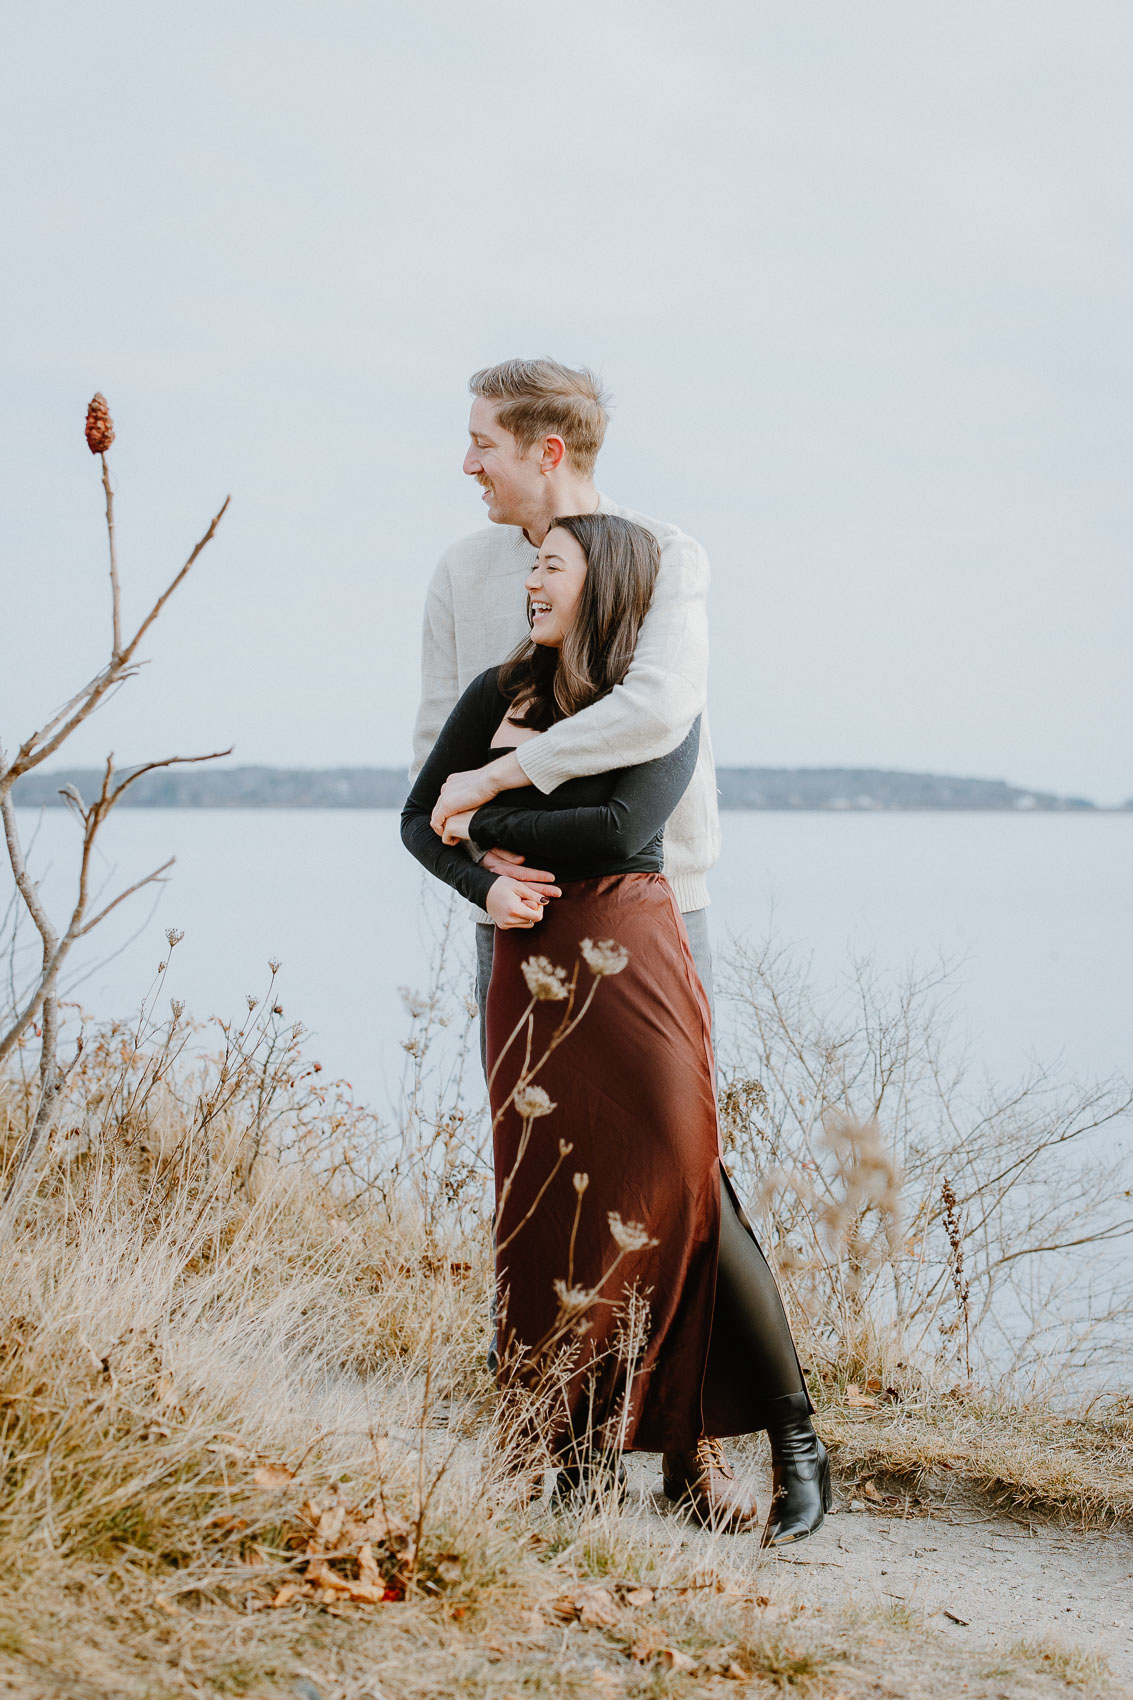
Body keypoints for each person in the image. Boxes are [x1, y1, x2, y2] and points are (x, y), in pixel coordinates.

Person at [403, 512, 830, 1544]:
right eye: (532, 567)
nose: (531, 583)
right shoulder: (494, 693)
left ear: (604, 586)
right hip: (531, 968)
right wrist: (476, 882)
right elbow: (418, 816)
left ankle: (787, 1438)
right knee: (547, 1206)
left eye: (552, 567)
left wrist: (487, 817)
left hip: (634, 956)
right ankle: (571, 1456)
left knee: (685, 1187)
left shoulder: (655, 705)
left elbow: (617, 828)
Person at [411, 359, 719, 1056]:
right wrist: (477, 868)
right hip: (511, 906)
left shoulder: (664, 554)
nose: (466, 464)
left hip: (651, 902)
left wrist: (494, 779)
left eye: (483, 444)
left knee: (666, 1139)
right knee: (527, 1143)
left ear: (547, 451)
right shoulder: (462, 571)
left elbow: (658, 706)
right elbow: (434, 755)